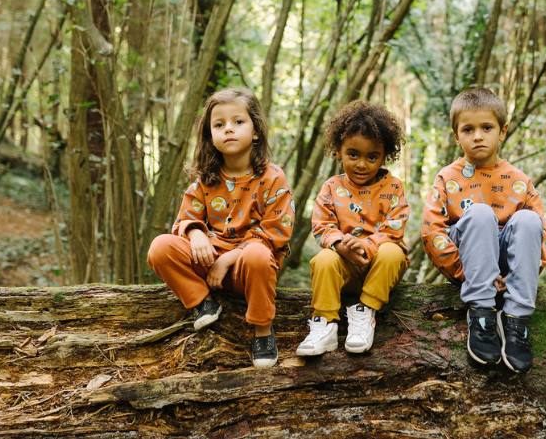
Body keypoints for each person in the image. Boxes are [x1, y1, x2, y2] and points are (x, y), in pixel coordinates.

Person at [147, 87, 294, 369]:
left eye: (238, 122)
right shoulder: (206, 180)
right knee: (161, 247)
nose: (229, 129)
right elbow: (184, 219)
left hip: (249, 269)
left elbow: (276, 232)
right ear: (210, 136)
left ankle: (263, 331)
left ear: (255, 131)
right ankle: (202, 302)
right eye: (219, 124)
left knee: (258, 256)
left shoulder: (273, 178)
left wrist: (229, 258)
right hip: (208, 264)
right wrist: (196, 233)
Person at [421, 86, 546, 373]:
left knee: (529, 220)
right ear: (457, 136)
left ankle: (516, 320)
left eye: (486, 127)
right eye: (468, 129)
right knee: (480, 214)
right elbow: (432, 233)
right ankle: (481, 315)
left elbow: (545, 233)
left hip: (507, 274)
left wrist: (516, 275)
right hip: (471, 266)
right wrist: (465, 272)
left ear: (502, 131)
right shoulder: (447, 177)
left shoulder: (517, 179)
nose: (478, 136)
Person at [296, 100, 409, 356]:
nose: (361, 164)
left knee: (393, 252)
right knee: (323, 259)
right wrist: (340, 244)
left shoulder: (393, 187)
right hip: (343, 266)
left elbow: (394, 227)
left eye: (372, 157)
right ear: (339, 150)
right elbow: (322, 225)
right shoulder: (331, 187)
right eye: (353, 154)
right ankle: (325, 323)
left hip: (380, 268)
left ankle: (365, 311)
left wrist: (367, 245)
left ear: (384, 156)